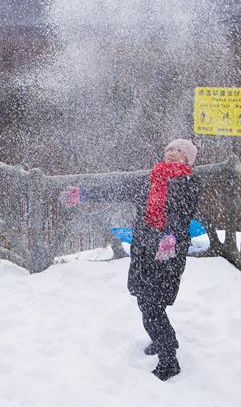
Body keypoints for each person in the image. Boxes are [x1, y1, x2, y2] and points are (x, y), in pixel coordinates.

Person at [61, 138, 200, 381]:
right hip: (145, 247)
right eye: (169, 149)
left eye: (178, 151)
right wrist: (84, 194)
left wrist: (170, 236)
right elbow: (117, 190)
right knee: (145, 299)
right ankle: (165, 339)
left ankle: (169, 361)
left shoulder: (189, 181)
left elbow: (182, 213)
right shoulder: (151, 178)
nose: (172, 153)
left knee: (152, 304)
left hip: (167, 249)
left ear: (188, 158)